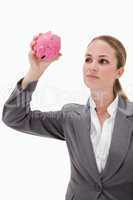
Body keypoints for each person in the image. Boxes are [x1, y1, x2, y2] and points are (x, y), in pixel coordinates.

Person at [2, 34, 133, 200]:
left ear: (119, 72)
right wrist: (34, 73)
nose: (92, 67)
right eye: (88, 59)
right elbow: (15, 117)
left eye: (103, 61)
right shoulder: (71, 117)